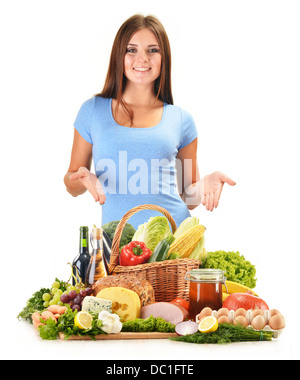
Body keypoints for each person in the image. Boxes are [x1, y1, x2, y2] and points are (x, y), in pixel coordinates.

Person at [64, 14, 236, 229]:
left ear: (164, 58)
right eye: (131, 49)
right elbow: (71, 183)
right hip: (118, 248)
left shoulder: (181, 120)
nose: (142, 58)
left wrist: (204, 185)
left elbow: (187, 197)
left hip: (173, 245)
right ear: (119, 55)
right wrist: (80, 180)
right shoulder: (92, 111)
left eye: (153, 50)